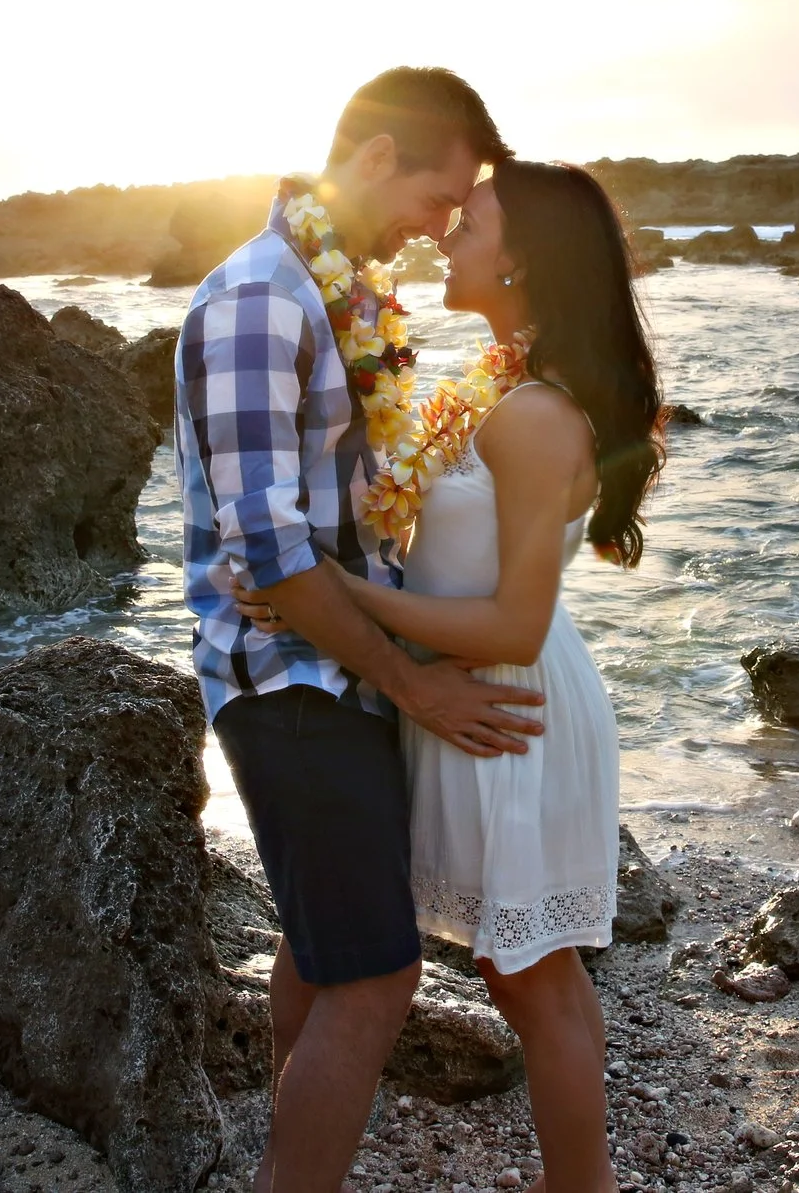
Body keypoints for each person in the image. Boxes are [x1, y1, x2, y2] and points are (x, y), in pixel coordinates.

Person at [239, 159, 665, 1193]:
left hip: (501, 707)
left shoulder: (530, 415)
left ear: (520, 257)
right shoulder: (500, 386)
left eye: (468, 222)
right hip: (443, 696)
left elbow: (517, 621)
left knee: (527, 972)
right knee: (340, 930)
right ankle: (290, 1151)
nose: (445, 235)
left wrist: (340, 592)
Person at [176, 66, 545, 1193]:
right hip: (289, 678)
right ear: (378, 156)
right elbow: (269, 551)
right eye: (441, 198)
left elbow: (348, 519)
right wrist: (414, 678)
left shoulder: (336, 296)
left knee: (322, 946)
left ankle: (293, 1152)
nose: (439, 229)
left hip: (343, 671)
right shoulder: (259, 300)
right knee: (379, 979)